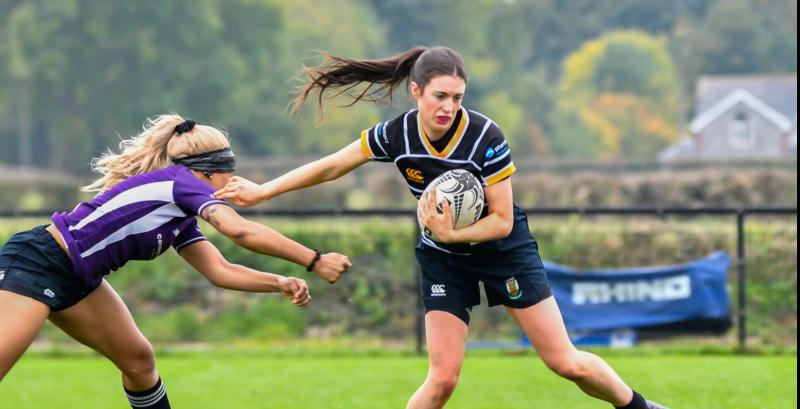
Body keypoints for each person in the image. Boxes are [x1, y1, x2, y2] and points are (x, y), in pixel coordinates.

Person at [214, 47, 669, 409]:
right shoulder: (397, 134)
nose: (449, 107)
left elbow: (503, 220)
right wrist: (263, 191)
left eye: (457, 97)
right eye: (440, 96)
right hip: (443, 260)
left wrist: (451, 233)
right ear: (416, 92)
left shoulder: (485, 137)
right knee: (443, 379)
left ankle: (639, 407)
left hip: (503, 252)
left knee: (567, 364)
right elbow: (331, 165)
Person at [0, 115, 352, 409]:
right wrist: (314, 259)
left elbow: (220, 270)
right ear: (212, 172)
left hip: (78, 278)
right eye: (233, 174)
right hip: (37, 262)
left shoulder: (178, 212)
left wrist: (279, 282)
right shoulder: (180, 183)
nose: (236, 183)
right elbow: (239, 231)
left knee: (139, 362)